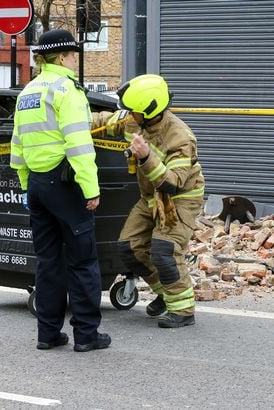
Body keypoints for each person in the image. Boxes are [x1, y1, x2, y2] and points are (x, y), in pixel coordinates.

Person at [10, 29, 111, 352]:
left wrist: (27, 185)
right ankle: (86, 335)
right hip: (65, 186)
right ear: (64, 56)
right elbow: (79, 143)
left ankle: (48, 333)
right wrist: (91, 188)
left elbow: (17, 144)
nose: (74, 59)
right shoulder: (66, 89)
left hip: (38, 186)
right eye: (73, 54)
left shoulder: (28, 91)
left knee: (48, 262)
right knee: (82, 261)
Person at [94, 74, 205, 328]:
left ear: (150, 111)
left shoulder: (180, 138)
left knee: (164, 250)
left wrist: (145, 157)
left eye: (134, 112)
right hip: (150, 197)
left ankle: (183, 310)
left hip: (178, 199)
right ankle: (167, 293)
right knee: (129, 248)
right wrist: (68, 122)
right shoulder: (136, 120)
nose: (129, 116)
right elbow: (103, 121)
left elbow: (172, 182)